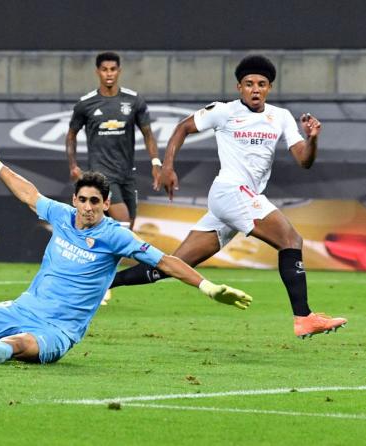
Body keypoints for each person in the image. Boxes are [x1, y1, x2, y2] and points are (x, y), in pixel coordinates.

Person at [0, 134, 252, 366]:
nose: (87, 207)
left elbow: (165, 262)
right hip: (21, 309)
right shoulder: (62, 215)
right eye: (82, 200)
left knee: (19, 344)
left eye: (94, 201)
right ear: (74, 200)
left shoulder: (115, 236)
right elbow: (29, 194)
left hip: (59, 328)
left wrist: (208, 287)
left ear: (106, 204)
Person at [110, 55, 347, 339]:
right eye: (249, 84)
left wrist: (313, 139)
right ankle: (304, 317)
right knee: (291, 240)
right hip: (230, 191)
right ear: (239, 87)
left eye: (261, 84)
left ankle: (103, 281)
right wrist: (168, 165)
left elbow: (304, 161)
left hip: (242, 199)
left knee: (173, 265)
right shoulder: (223, 111)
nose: (255, 89)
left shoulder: (280, 117)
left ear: (269, 88)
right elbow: (183, 127)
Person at [66, 51, 161, 231]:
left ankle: (95, 250)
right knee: (123, 222)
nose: (109, 73)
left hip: (127, 174)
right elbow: (71, 135)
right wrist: (73, 165)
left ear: (119, 71)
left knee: (128, 226)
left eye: (113, 69)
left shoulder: (133, 100)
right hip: (102, 174)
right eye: (104, 69)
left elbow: (148, 134)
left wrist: (156, 163)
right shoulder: (86, 104)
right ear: (97, 72)